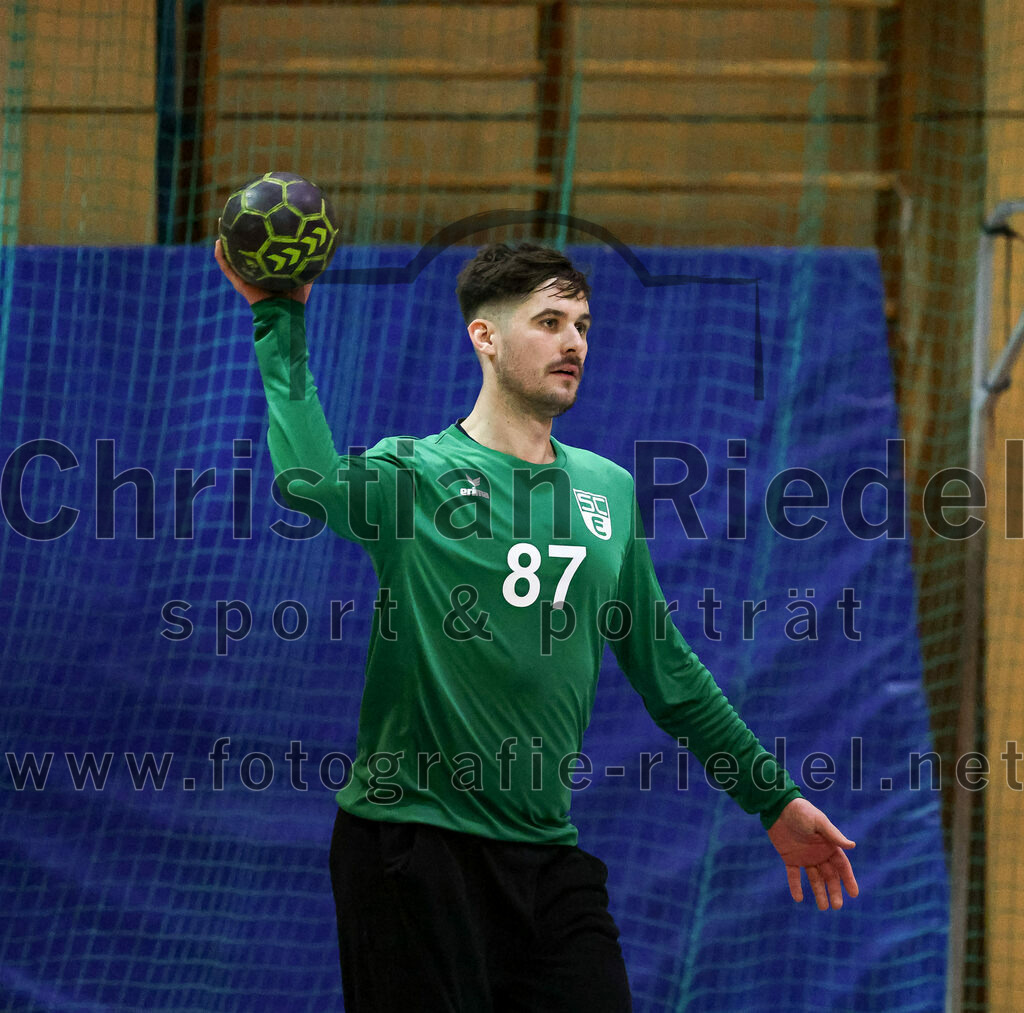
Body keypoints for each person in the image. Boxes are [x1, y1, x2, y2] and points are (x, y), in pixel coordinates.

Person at [215, 239, 858, 1012]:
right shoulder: (415, 477)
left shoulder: (608, 491)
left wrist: (772, 798)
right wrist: (278, 316)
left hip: (544, 855)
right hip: (413, 845)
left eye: (582, 323)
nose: (573, 342)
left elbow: (670, 672)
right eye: (549, 321)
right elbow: (306, 477)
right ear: (484, 337)